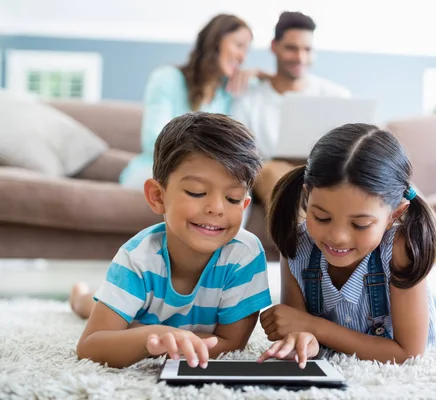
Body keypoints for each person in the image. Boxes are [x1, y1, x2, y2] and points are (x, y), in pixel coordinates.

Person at [71, 112, 271, 369]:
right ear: (157, 196)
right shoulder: (137, 257)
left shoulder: (245, 254)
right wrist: (148, 338)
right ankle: (79, 296)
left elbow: (230, 345)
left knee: (122, 321)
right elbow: (90, 347)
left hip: (143, 322)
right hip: (135, 312)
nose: (216, 208)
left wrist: (161, 339)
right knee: (91, 305)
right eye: (197, 192)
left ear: (244, 204)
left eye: (233, 198)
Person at [257, 123, 436, 368]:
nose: (338, 237)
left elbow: (408, 353)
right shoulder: (297, 245)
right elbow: (297, 329)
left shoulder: (399, 249)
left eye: (361, 224)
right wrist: (301, 338)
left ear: (394, 215)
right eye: (322, 218)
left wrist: (313, 326)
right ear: (306, 198)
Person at [120, 14, 267, 191]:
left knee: (237, 187)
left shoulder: (229, 92)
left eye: (246, 51)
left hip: (212, 172)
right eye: (238, 46)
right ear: (215, 42)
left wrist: (258, 73)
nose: (243, 58)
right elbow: (153, 139)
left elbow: (278, 85)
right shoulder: (168, 78)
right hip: (158, 169)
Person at [231, 11, 351, 209]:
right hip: (272, 172)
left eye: (307, 49)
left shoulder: (336, 95)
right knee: (273, 173)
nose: (300, 57)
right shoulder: (249, 99)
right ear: (274, 47)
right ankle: (300, 237)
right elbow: (238, 154)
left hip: (324, 171)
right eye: (291, 48)